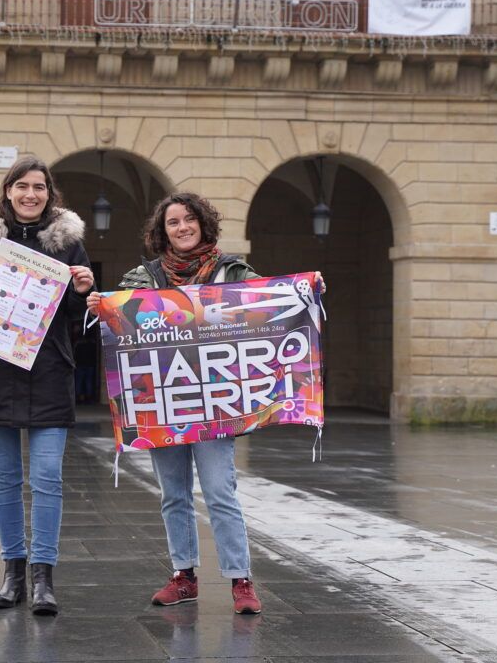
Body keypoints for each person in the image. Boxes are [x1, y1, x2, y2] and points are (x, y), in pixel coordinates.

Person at [86, 192, 322, 616]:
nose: (182, 228)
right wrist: (100, 305)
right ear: (163, 232)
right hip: (162, 401)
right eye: (173, 222)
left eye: (189, 220)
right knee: (173, 494)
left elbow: (268, 307)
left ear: (203, 224)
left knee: (219, 491)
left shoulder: (233, 271)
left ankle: (241, 579)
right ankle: (184, 576)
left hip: (217, 402)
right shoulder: (143, 277)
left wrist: (305, 291)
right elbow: (120, 317)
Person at [0, 156, 94, 616]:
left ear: (50, 194)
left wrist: (84, 291)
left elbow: (80, 320)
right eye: (22, 186)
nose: (31, 194)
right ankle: (13, 575)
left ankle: (44, 578)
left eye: (39, 187)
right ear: (8, 191)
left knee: (47, 478)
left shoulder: (69, 245)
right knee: (5, 480)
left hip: (48, 373)